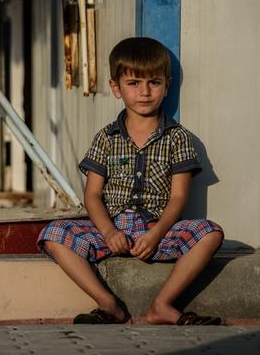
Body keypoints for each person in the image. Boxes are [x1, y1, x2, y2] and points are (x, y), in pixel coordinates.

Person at [39, 37, 224, 325]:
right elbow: (92, 196)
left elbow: (178, 198)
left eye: (154, 82)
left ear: (167, 85)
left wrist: (157, 234)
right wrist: (109, 232)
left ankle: (161, 306)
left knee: (210, 232)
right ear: (116, 88)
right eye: (134, 83)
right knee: (54, 233)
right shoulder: (106, 138)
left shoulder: (178, 138)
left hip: (159, 232)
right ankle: (108, 304)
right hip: (112, 232)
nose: (145, 92)